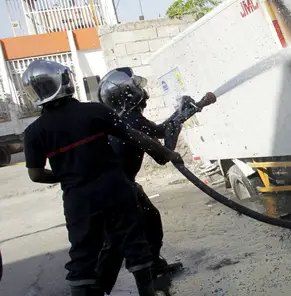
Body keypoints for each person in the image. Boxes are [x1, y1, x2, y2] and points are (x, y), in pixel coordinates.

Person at [22, 60, 182, 296]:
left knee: (83, 256)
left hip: (78, 200)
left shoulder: (33, 132)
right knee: (135, 248)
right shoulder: (95, 111)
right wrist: (168, 153)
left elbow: (35, 175)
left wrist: (69, 175)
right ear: (66, 81)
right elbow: (134, 136)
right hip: (116, 190)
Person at [95, 67, 186, 293]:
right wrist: (182, 113)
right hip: (118, 189)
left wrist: (181, 114)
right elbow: (164, 143)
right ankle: (95, 287)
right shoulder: (133, 119)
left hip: (119, 185)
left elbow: (159, 132)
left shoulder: (123, 118)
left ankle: (154, 267)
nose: (142, 91)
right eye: (137, 88)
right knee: (117, 242)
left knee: (150, 220)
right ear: (128, 94)